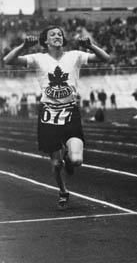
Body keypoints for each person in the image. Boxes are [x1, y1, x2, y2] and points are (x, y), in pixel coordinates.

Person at [3, 26, 110, 207]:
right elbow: (8, 60)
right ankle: (63, 191)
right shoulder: (38, 58)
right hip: (48, 114)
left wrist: (91, 46)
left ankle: (69, 157)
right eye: (53, 34)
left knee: (76, 160)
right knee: (56, 164)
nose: (57, 36)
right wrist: (23, 46)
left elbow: (105, 58)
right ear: (45, 40)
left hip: (70, 112)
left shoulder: (74, 55)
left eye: (60, 34)